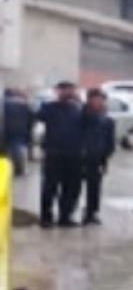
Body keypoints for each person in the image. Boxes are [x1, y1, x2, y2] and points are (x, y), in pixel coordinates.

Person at [34, 81, 85, 227]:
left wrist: (80, 101)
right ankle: (46, 218)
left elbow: (91, 122)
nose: (68, 93)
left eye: (71, 90)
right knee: (50, 187)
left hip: (74, 154)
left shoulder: (79, 109)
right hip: (54, 153)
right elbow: (37, 116)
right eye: (65, 90)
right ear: (58, 91)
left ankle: (65, 216)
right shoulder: (49, 108)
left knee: (72, 187)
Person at [78, 89, 116, 226]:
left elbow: (110, 141)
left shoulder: (108, 121)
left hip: (98, 158)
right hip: (81, 157)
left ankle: (92, 212)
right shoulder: (82, 116)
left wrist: (106, 158)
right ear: (89, 100)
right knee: (74, 187)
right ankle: (68, 213)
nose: (99, 102)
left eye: (101, 99)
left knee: (94, 187)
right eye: (95, 99)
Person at [3, 87, 32, 180]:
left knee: (6, 150)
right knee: (18, 149)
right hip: (19, 129)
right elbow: (31, 118)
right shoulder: (24, 104)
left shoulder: (3, 104)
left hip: (5, 129)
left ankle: (6, 169)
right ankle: (19, 169)